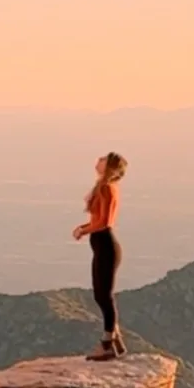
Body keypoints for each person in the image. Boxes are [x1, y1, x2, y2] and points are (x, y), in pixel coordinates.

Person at [72, 152, 128, 361]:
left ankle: (107, 344)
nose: (98, 159)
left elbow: (104, 222)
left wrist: (83, 230)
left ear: (109, 166)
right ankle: (116, 340)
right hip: (103, 244)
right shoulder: (106, 187)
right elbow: (100, 220)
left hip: (105, 244)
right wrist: (85, 227)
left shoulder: (106, 188)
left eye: (103, 158)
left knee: (103, 295)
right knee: (101, 294)